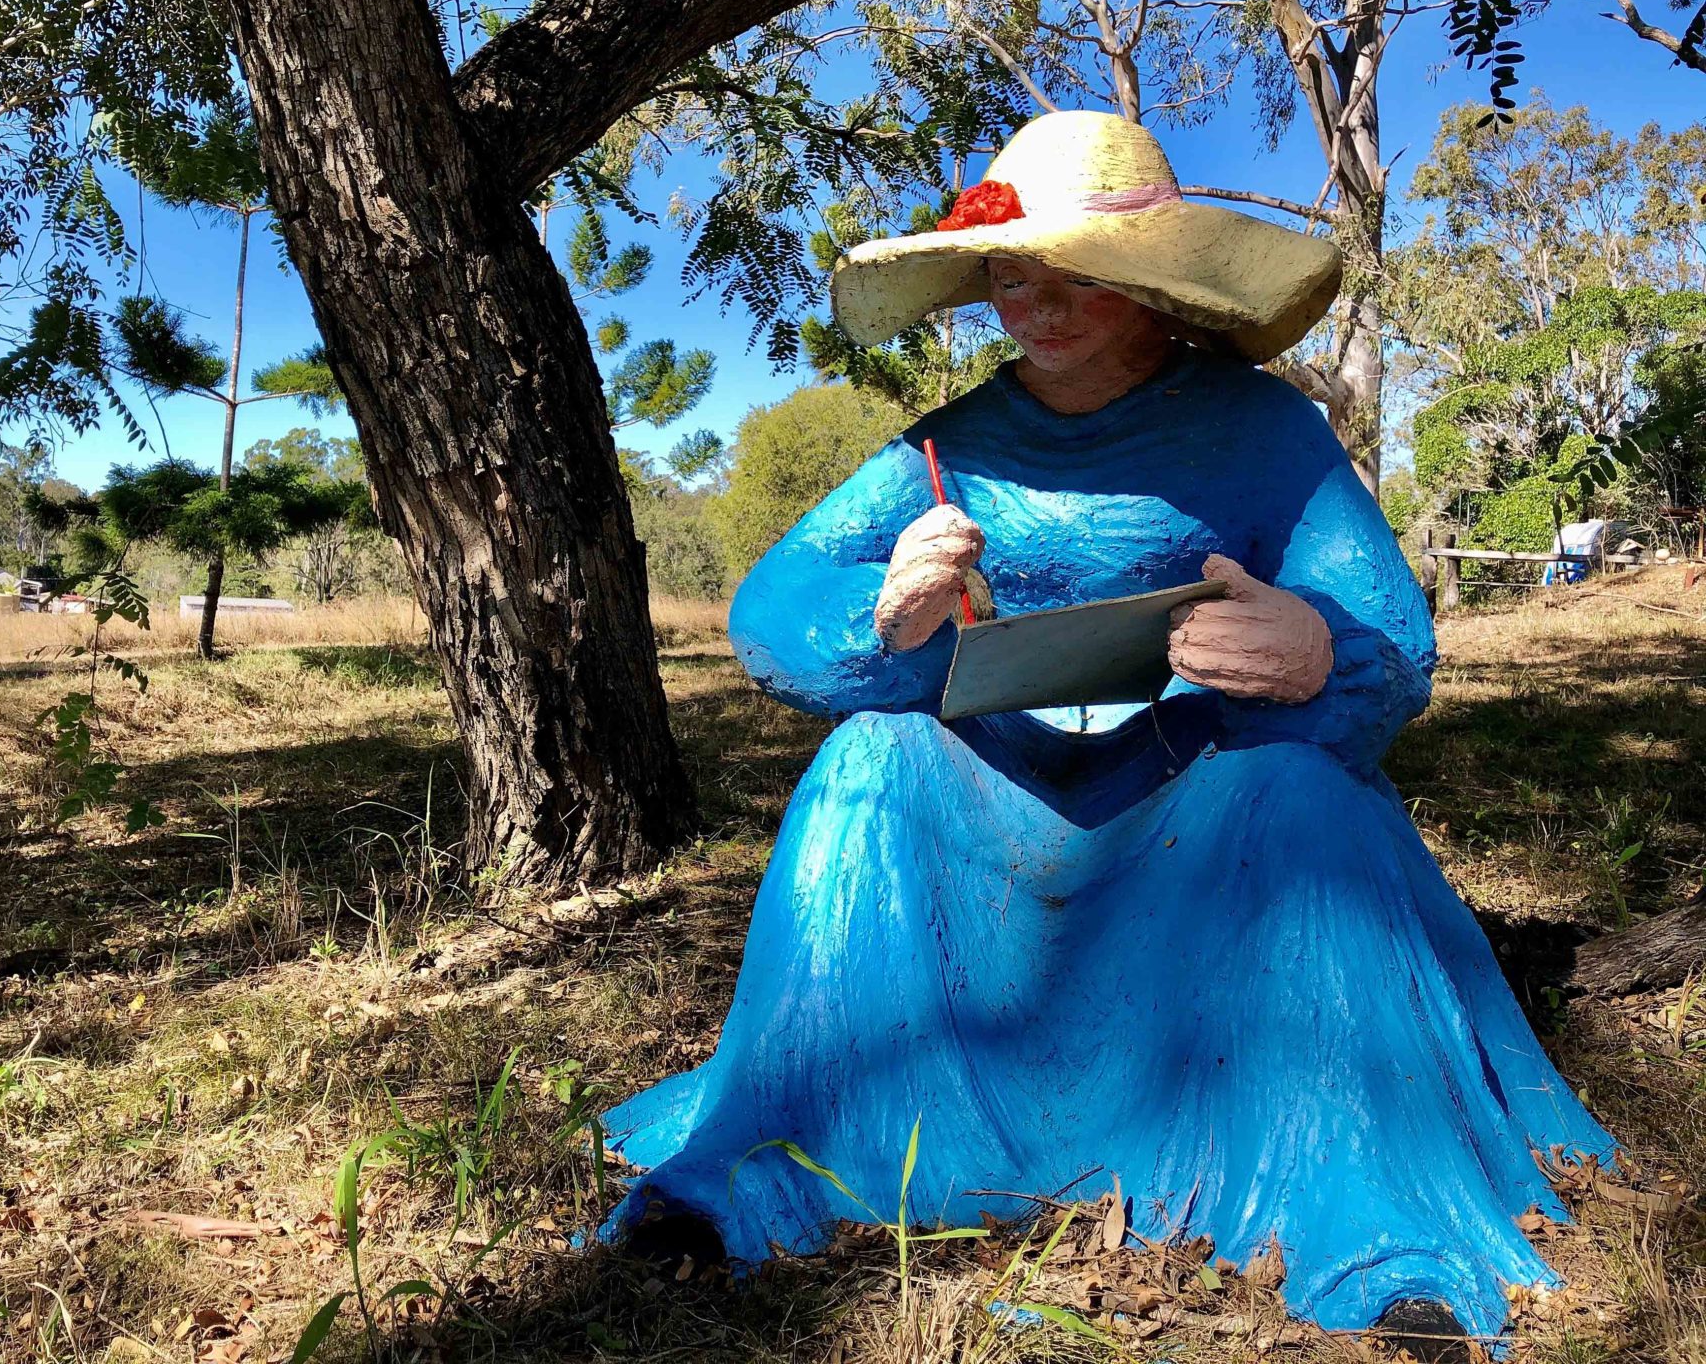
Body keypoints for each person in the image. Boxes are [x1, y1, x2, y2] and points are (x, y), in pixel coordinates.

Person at [600, 112, 1613, 1343]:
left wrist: (1314, 648)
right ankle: (769, 1160)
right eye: (1015, 274)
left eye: (1080, 276)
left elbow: (1385, 630)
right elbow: (769, 609)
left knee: (1297, 798)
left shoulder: (1260, 429)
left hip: (1200, 784)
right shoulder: (949, 443)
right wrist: (887, 614)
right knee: (866, 765)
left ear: (1152, 284)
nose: (1041, 306)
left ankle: (1356, 1193)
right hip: (997, 786)